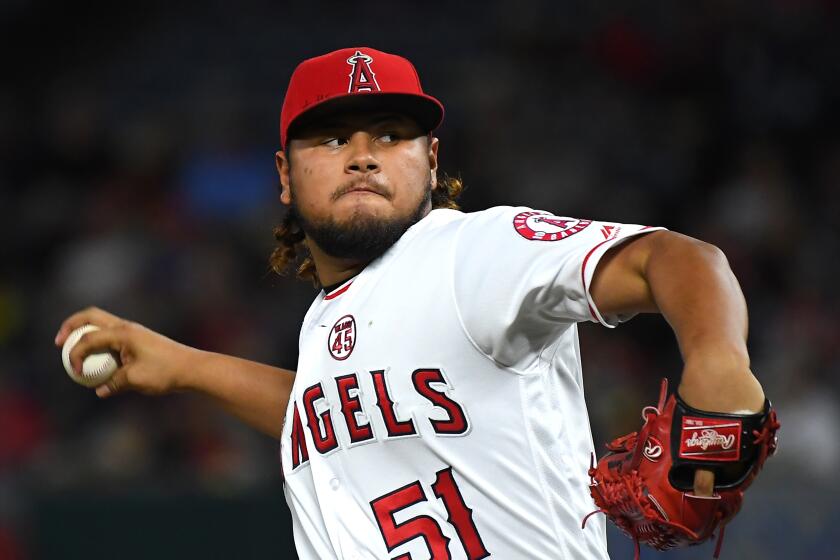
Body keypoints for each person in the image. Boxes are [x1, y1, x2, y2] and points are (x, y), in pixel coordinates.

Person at [55, 47, 767, 559]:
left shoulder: (473, 253)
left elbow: (674, 259)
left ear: (431, 161)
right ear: (283, 173)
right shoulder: (330, 319)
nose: (363, 155)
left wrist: (718, 360)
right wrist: (184, 367)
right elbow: (328, 408)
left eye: (391, 137)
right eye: (333, 138)